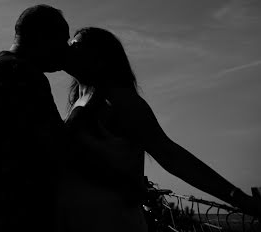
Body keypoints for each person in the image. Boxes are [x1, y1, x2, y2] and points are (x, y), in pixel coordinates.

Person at [58, 27, 261, 231]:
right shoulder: (80, 103)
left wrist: (238, 197)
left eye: (76, 45)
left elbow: (170, 155)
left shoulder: (120, 101)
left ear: (100, 57)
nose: (67, 48)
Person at [0, 4, 71, 232]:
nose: (65, 50)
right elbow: (61, 148)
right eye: (62, 41)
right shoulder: (23, 75)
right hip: (14, 218)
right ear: (42, 37)